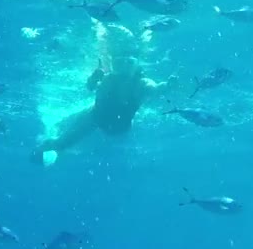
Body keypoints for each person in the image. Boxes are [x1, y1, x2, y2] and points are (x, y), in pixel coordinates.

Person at [31, 22, 177, 166]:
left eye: (129, 62)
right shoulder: (106, 77)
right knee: (62, 142)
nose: (124, 66)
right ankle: (42, 152)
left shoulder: (141, 83)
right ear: (113, 64)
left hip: (118, 125)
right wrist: (93, 79)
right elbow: (90, 87)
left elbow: (156, 89)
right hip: (95, 116)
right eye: (119, 62)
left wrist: (167, 86)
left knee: (65, 141)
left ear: (136, 64)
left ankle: (51, 146)